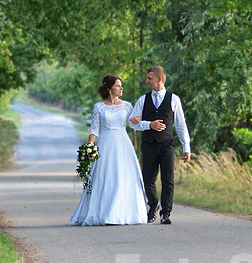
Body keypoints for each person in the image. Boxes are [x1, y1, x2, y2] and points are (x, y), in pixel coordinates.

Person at [70, 75, 148, 225]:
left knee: (121, 177)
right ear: (109, 88)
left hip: (123, 144)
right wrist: (90, 148)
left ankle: (118, 213)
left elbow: (135, 125)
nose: (121, 88)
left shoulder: (126, 106)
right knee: (106, 177)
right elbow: (94, 129)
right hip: (105, 144)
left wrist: (148, 124)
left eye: (121, 85)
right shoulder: (99, 107)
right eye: (118, 85)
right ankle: (104, 212)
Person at [129, 66, 190, 225]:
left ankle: (166, 212)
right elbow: (132, 123)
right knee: (148, 178)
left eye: (149, 78)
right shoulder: (143, 100)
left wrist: (186, 147)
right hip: (148, 144)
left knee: (167, 179)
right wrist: (149, 124)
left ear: (159, 79)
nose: (146, 81)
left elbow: (180, 125)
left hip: (166, 144)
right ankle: (153, 205)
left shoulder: (174, 99)